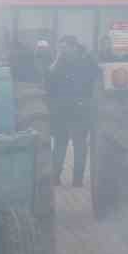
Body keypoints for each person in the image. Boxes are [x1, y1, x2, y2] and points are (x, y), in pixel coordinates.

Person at [46, 35, 98, 187]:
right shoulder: (59, 62)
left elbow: (95, 80)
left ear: (73, 46)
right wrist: (56, 60)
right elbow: (50, 80)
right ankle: (55, 177)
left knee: (79, 146)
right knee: (60, 145)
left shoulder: (87, 61)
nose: (61, 51)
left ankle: (77, 180)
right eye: (60, 48)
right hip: (62, 111)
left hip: (80, 111)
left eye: (64, 48)